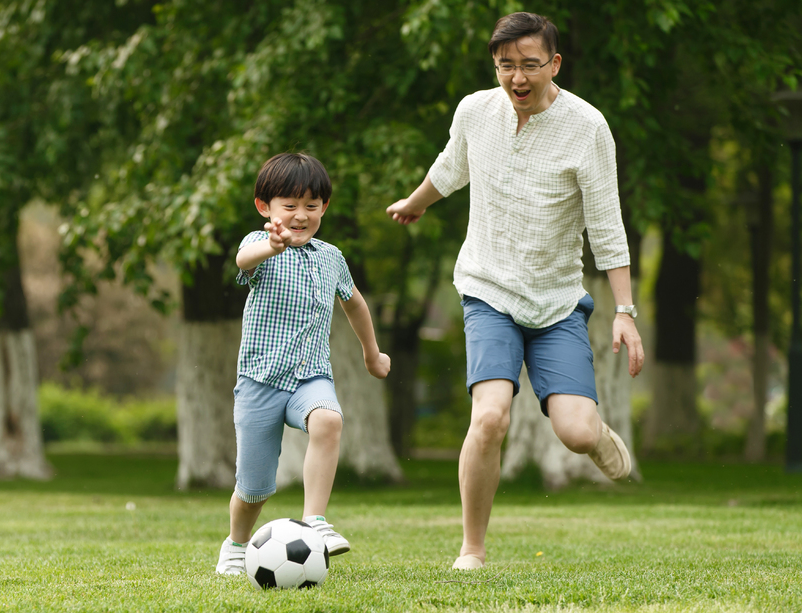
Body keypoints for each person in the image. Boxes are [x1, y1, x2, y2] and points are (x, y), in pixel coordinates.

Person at [386, 12, 645, 570]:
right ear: (495, 66)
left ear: (555, 63)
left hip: (555, 302)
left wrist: (624, 310)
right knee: (490, 417)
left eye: (530, 65)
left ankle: (596, 435)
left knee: (574, 433)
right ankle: (472, 550)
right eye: (507, 66)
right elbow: (451, 167)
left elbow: (606, 223)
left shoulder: (588, 126)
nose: (517, 78)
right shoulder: (475, 111)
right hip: (487, 289)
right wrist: (415, 203)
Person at [215, 152, 391, 575]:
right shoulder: (259, 247)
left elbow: (355, 304)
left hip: (310, 376)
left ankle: (314, 520)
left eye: (311, 206)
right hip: (260, 381)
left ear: (324, 208)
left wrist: (371, 352)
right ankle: (236, 546)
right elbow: (243, 262)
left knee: (329, 420)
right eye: (289, 206)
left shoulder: (331, 257)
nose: (300, 215)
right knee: (254, 489)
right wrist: (269, 246)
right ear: (265, 208)